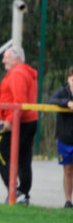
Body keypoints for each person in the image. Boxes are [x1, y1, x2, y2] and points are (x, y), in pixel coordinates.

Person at [0, 47, 38, 205]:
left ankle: (15, 189)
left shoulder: (18, 73)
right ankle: (24, 194)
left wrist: (10, 121)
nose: (3, 60)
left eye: (7, 57)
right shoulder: (23, 72)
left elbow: (19, 101)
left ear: (18, 59)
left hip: (20, 121)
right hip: (28, 120)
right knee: (24, 159)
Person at [45, 67, 73, 208]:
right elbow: (51, 101)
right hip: (66, 138)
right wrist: (67, 103)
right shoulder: (63, 92)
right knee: (68, 170)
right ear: (69, 79)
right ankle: (68, 201)